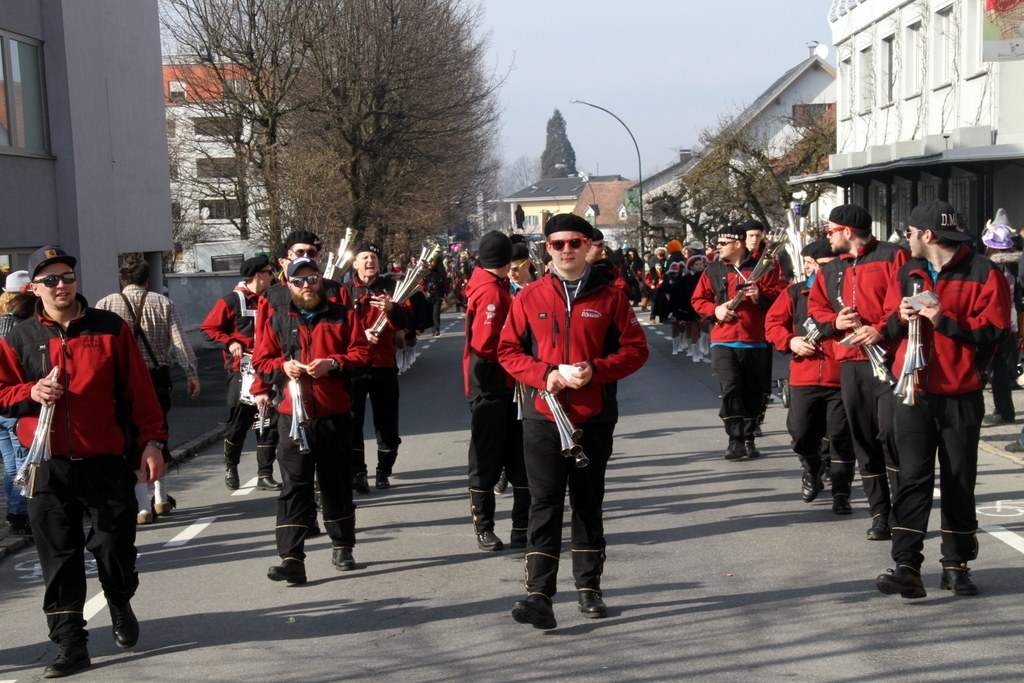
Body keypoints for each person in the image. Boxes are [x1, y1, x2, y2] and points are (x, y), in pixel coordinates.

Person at [0, 246, 167, 678]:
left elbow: (139, 391)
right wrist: (29, 392)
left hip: (105, 461)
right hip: (47, 465)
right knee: (59, 558)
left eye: (67, 277)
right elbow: (2, 392)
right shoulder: (18, 338)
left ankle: (119, 600)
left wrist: (152, 442)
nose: (61, 285)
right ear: (34, 289)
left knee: (113, 547)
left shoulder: (109, 328)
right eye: (51, 280)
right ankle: (70, 644)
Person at [499, 213, 648, 630]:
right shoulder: (528, 296)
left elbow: (636, 350)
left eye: (574, 242)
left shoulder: (611, 297)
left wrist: (595, 370)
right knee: (544, 503)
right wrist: (543, 374)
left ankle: (589, 587)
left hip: (592, 417)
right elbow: (508, 350)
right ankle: (539, 595)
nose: (566, 250)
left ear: (587, 246)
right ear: (547, 249)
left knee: (587, 502)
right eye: (557, 244)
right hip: (542, 415)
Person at [875, 200, 1010, 599]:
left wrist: (943, 320)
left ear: (927, 235)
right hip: (914, 390)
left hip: (960, 393)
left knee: (958, 480)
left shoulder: (984, 271)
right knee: (912, 479)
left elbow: (997, 331)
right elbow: (887, 325)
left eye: (910, 233)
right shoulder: (907, 271)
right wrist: (900, 316)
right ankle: (907, 566)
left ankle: (956, 566)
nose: (907, 239)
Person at [250, 257, 372, 583]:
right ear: (288, 285)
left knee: (336, 483)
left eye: (312, 279)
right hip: (292, 416)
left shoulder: (343, 314)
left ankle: (342, 545)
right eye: (299, 281)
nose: (307, 286)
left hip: (333, 416)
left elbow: (363, 355)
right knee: (294, 487)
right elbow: (261, 360)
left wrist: (334, 363)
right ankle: (291, 558)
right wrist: (282, 367)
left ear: (321, 280)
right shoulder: (277, 317)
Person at [807, 204, 908, 541]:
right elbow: (816, 309)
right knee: (863, 439)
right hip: (850, 361)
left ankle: (903, 513)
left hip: (889, 359)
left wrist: (880, 329)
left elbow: (904, 302)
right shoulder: (830, 268)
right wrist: (835, 322)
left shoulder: (892, 255)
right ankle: (880, 514)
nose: (827, 237)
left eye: (830, 231)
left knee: (891, 435)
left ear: (847, 231)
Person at [96, 258, 201, 523]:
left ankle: (142, 506)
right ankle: (161, 499)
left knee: (130, 439)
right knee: (157, 435)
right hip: (156, 378)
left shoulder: (105, 305)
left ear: (122, 280)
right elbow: (180, 342)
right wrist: (191, 373)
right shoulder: (163, 303)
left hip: (121, 382)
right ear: (147, 280)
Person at [764, 239, 855, 512]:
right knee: (801, 434)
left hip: (840, 375)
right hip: (804, 376)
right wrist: (790, 341)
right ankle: (813, 469)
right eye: (821, 265)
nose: (829, 270)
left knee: (840, 437)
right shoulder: (795, 292)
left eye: (832, 265)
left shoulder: (847, 292)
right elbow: (772, 324)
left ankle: (841, 493)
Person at [691, 224, 785, 460]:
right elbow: (698, 300)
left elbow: (781, 299)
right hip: (723, 340)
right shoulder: (713, 269)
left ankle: (749, 437)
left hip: (755, 340)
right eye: (717, 243)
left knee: (754, 392)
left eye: (723, 243)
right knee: (731, 388)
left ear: (738, 243)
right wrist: (716, 310)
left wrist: (759, 296)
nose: (718, 247)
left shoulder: (764, 267)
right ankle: (735, 439)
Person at [463, 231, 529, 551]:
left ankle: (522, 527)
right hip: (492, 385)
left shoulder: (495, 285)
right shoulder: (491, 292)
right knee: (487, 460)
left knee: (520, 459)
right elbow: (486, 343)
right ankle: (485, 528)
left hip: (506, 385)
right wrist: (520, 352)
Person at [200, 255, 282, 492]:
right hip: (240, 370)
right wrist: (229, 342)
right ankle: (231, 466)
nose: (273, 276)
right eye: (269, 272)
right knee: (239, 422)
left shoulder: (272, 297)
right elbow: (208, 329)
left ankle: (264, 473)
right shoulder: (231, 301)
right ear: (258, 275)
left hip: (266, 367)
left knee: (267, 421)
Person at [345, 242, 414, 492]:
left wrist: (393, 309)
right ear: (355, 263)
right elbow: (336, 326)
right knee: (352, 423)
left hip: (383, 364)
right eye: (364, 257)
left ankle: (384, 470)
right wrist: (360, 334)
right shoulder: (344, 291)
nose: (369, 261)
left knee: (387, 425)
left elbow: (408, 320)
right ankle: (358, 473)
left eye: (373, 257)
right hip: (354, 366)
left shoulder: (392, 288)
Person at [0, 269, 34, 537]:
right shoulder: (22, 332)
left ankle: (14, 513)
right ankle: (19, 513)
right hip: (13, 402)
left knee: (10, 462)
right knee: (23, 459)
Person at [978, 212, 1019, 426]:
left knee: (997, 368)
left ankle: (1003, 411)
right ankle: (1003, 409)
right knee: (1000, 366)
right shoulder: (1013, 266)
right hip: (1010, 319)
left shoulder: (994, 268)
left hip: (996, 320)